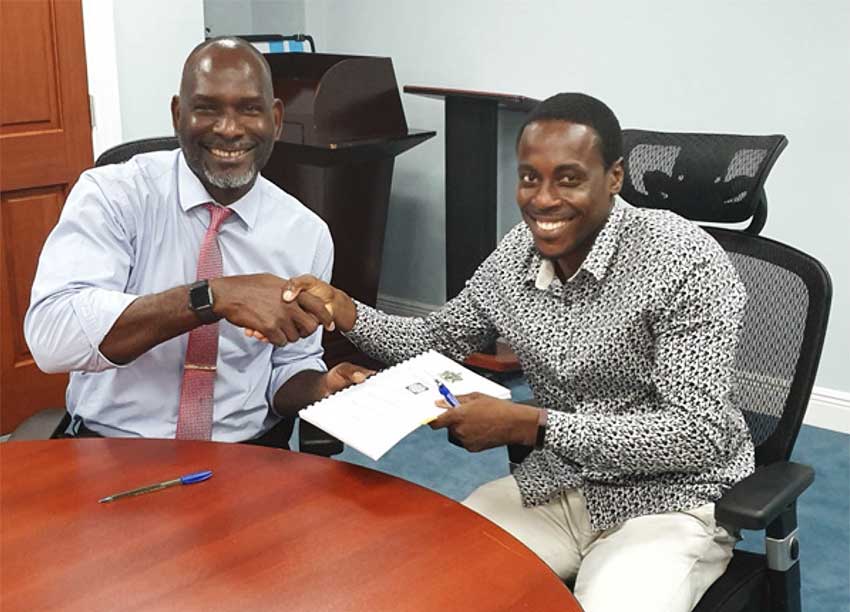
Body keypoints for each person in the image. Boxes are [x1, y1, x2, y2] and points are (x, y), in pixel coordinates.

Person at [262, 93, 756, 611]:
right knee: (425, 580)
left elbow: (697, 435)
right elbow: (436, 341)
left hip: (668, 501)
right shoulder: (518, 253)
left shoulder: (684, 262)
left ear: (613, 177)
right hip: (558, 486)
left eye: (568, 178)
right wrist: (347, 311)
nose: (543, 200)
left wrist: (533, 425)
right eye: (529, 177)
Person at [24, 37, 367, 444]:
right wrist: (212, 297)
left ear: (275, 120)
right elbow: (53, 337)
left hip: (248, 459)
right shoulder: (113, 195)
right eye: (206, 108)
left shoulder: (305, 232)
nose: (229, 129)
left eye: (249, 109)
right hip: (116, 450)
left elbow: (289, 367)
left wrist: (323, 388)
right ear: (177, 114)